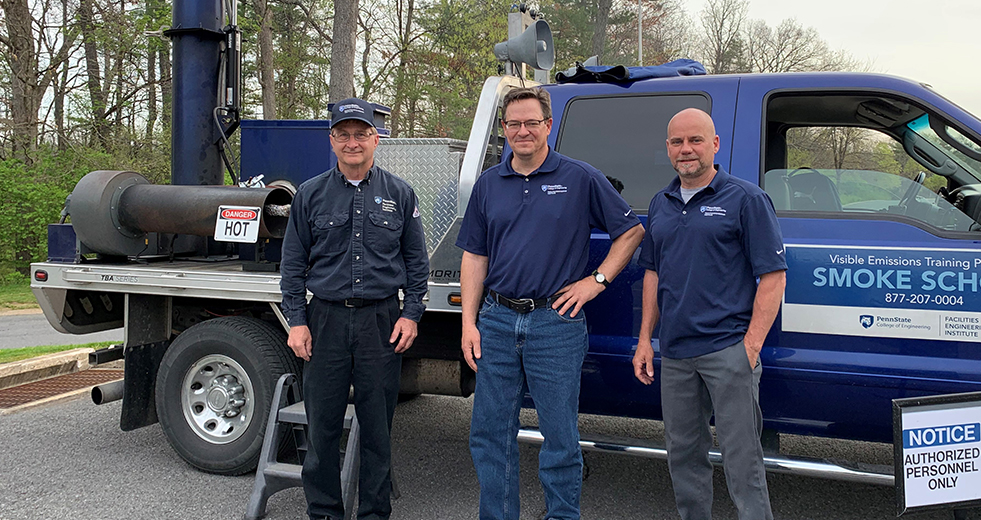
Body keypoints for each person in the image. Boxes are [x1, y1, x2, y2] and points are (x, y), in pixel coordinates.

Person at [457, 86, 645, 520]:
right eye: (513, 124)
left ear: (548, 125)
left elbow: (631, 231)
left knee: (559, 436)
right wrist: (469, 322)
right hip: (497, 322)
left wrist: (596, 282)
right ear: (503, 130)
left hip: (555, 324)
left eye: (531, 122)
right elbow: (475, 256)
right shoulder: (489, 184)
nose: (522, 131)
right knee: (489, 433)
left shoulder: (579, 177)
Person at [632, 108, 787, 520]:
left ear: (715, 145)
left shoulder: (746, 199)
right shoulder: (660, 203)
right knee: (683, 455)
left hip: (727, 352)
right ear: (667, 148)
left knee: (743, 462)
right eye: (677, 142)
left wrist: (749, 348)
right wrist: (645, 339)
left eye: (695, 140)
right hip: (677, 353)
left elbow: (773, 277)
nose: (686, 149)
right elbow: (652, 273)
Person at [280, 97, 429, 520]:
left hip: (380, 323)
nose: (352, 142)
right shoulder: (310, 195)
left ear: (375, 139)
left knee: (377, 431)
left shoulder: (399, 193)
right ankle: (324, 513)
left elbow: (417, 263)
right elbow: (292, 265)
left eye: (360, 134)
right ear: (332, 141)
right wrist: (296, 321)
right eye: (343, 134)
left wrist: (411, 313)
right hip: (324, 320)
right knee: (322, 429)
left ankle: (374, 514)